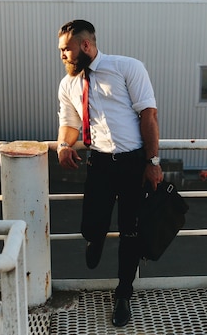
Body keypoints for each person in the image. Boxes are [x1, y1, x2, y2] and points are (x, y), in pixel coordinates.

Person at [56, 19, 163, 327]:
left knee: (130, 232)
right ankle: (95, 237)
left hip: (133, 164)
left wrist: (152, 163)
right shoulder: (68, 84)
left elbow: (149, 115)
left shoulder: (127, 68)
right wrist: (64, 145)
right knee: (91, 222)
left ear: (85, 46)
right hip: (100, 163)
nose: (62, 55)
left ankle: (123, 294)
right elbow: (70, 123)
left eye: (66, 50)